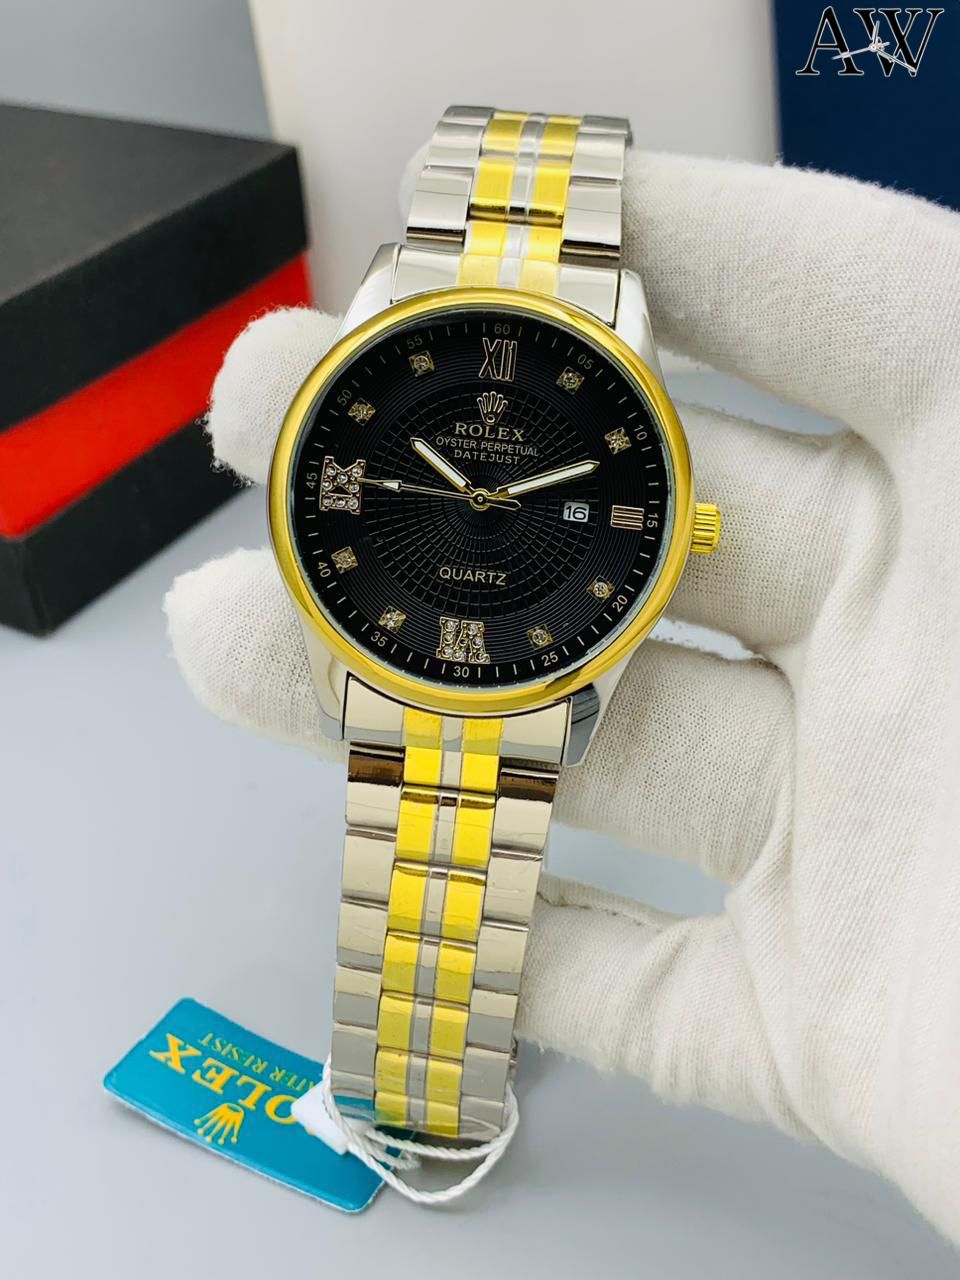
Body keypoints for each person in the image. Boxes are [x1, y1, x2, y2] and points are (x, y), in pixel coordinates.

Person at [165, 149, 960, 1244]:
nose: (485, 499)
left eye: (509, 492)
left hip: (532, 656)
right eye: (468, 485)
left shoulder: (654, 516)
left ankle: (416, 1071)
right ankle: (410, 1072)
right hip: (399, 646)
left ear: (683, 530)